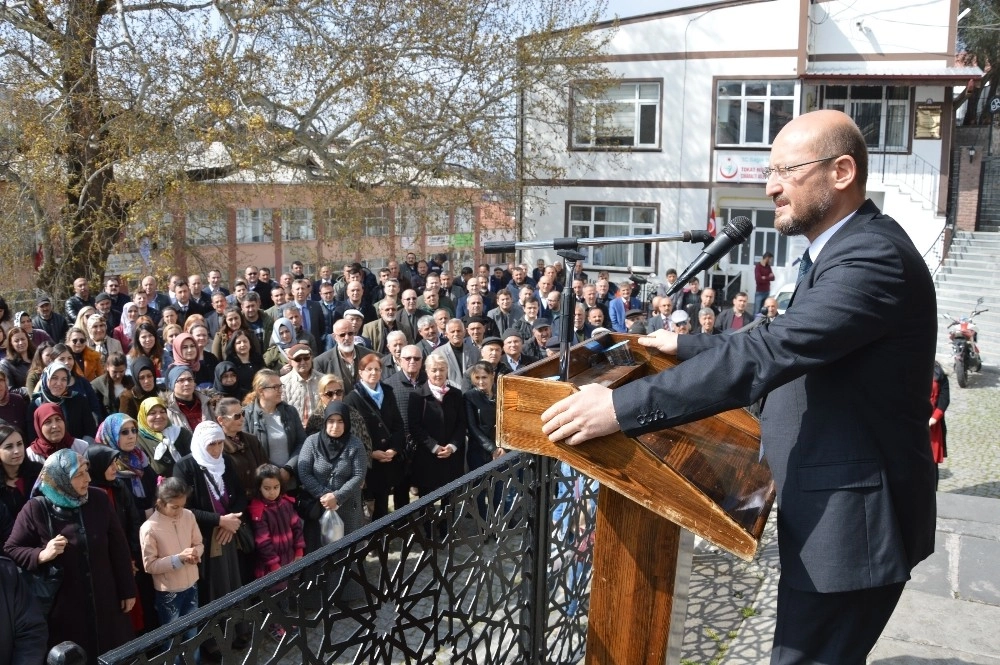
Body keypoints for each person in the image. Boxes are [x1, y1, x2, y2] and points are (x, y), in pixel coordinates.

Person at [539, 110, 937, 665]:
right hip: (837, 513)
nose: (770, 185)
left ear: (842, 171)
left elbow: (773, 351)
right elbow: (782, 335)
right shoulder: (848, 247)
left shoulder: (872, 258)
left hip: (854, 529)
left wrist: (620, 407)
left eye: (785, 170)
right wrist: (685, 347)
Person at [4, 449, 137, 660]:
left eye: (86, 471)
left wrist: (127, 589)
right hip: (66, 608)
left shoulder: (98, 499)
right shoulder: (36, 509)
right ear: (60, 478)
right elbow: (11, 549)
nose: (88, 479)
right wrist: (41, 555)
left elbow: (118, 546)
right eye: (79, 475)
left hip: (106, 600)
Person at [172, 421, 247, 654]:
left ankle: (237, 632)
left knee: (233, 584)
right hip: (203, 538)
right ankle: (215, 643)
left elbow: (241, 496)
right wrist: (219, 521)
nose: (216, 449)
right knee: (212, 590)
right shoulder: (185, 467)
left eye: (219, 443)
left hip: (228, 536)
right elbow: (183, 507)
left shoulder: (225, 462)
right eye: (211, 444)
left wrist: (231, 523)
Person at [139, 477, 203, 660]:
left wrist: (196, 552)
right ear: (160, 503)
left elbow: (199, 543)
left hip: (191, 584)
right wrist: (178, 559)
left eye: (182, 506)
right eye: (174, 507)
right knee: (171, 640)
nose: (179, 511)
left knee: (193, 633)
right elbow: (149, 565)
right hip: (169, 592)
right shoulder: (149, 528)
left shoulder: (188, 515)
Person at [407, 354, 465, 537]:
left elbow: (461, 424)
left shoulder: (456, 394)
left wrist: (452, 446)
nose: (438, 374)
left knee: (450, 495)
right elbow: (414, 426)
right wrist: (433, 447)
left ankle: (448, 529)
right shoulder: (417, 396)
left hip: (451, 455)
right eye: (434, 370)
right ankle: (428, 530)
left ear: (447, 370)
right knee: (427, 496)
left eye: (441, 369)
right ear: (427, 371)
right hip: (427, 456)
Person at [296, 402, 367, 553]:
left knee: (347, 551)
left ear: (347, 422)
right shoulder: (312, 442)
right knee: (318, 550)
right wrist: (324, 495)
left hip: (348, 508)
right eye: (331, 421)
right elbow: (304, 472)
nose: (335, 426)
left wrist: (338, 497)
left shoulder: (356, 444)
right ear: (325, 421)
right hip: (319, 506)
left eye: (340, 421)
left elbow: (359, 475)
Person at [344, 354, 406, 520]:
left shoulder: (388, 392)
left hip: (388, 459)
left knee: (383, 503)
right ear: (361, 372)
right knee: (367, 507)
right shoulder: (352, 399)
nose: (373, 373)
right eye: (369, 369)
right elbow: (352, 433)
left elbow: (398, 425)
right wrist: (370, 453)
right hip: (368, 462)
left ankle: (383, 538)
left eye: (377, 369)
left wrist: (394, 449)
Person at [248, 463, 304, 641]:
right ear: (259, 488)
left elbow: (297, 527)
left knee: (285, 593)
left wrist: (299, 550)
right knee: (273, 597)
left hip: (289, 558)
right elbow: (262, 541)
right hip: (271, 566)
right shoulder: (258, 510)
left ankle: (285, 622)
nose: (272, 492)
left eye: (276, 487)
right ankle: (274, 626)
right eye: (267, 488)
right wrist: (273, 564)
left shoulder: (286, 503)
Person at [242, 369, 307, 486]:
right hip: (263, 483)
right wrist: (272, 473)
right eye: (275, 387)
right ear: (261, 391)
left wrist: (288, 468)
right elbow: (247, 450)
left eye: (280, 386)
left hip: (290, 479)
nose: (280, 390)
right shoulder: (247, 415)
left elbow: (301, 442)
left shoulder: (290, 411)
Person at [0, 421, 42, 548]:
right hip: (9, 546)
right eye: (9, 447)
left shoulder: (39, 473)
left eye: (19, 444)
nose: (17, 451)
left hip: (42, 539)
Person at [136, 396, 193, 478]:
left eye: (162, 412)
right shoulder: (138, 440)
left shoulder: (180, 433)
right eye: (152, 413)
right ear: (144, 417)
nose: (159, 416)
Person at [91, 351, 132, 419]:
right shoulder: (97, 385)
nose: (118, 376)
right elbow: (96, 412)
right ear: (107, 367)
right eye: (114, 372)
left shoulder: (131, 382)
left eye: (121, 371)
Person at [929, 361, 949, 490]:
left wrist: (935, 417)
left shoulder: (939, 373)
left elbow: (944, 399)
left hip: (932, 425)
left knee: (932, 463)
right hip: (913, 423)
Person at [0, 326, 35, 391]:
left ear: (27, 339)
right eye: (16, 341)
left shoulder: (36, 358)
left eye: (23, 339)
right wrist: (31, 389)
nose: (21, 343)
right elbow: (9, 389)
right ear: (11, 344)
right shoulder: (6, 364)